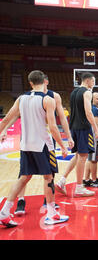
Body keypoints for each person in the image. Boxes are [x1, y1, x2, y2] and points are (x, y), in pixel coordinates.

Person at [0, 70, 69, 227]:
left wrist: (1, 132)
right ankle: (51, 214)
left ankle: (4, 212)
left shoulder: (21, 98)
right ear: (44, 81)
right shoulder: (48, 100)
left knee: (24, 177)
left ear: (30, 83)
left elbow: (6, 120)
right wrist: (63, 145)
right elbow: (52, 127)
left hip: (25, 145)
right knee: (48, 177)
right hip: (42, 145)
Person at [14, 74, 74, 215]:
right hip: (29, 137)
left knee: (49, 172)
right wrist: (4, 129)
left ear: (46, 82)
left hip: (47, 138)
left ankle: (48, 202)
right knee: (24, 172)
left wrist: (68, 136)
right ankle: (21, 201)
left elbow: (62, 119)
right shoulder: (26, 97)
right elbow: (13, 116)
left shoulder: (54, 97)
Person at [55, 72, 98, 197]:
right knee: (83, 157)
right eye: (93, 82)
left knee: (77, 156)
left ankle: (61, 181)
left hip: (74, 127)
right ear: (88, 81)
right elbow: (88, 112)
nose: (93, 84)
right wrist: (96, 129)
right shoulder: (87, 92)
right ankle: (79, 187)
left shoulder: (73, 92)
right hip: (83, 128)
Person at [83, 92, 98, 188]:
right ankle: (94, 180)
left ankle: (87, 179)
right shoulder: (94, 110)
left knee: (90, 159)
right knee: (94, 160)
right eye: (97, 98)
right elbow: (96, 123)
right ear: (92, 99)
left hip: (93, 138)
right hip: (95, 138)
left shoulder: (95, 109)